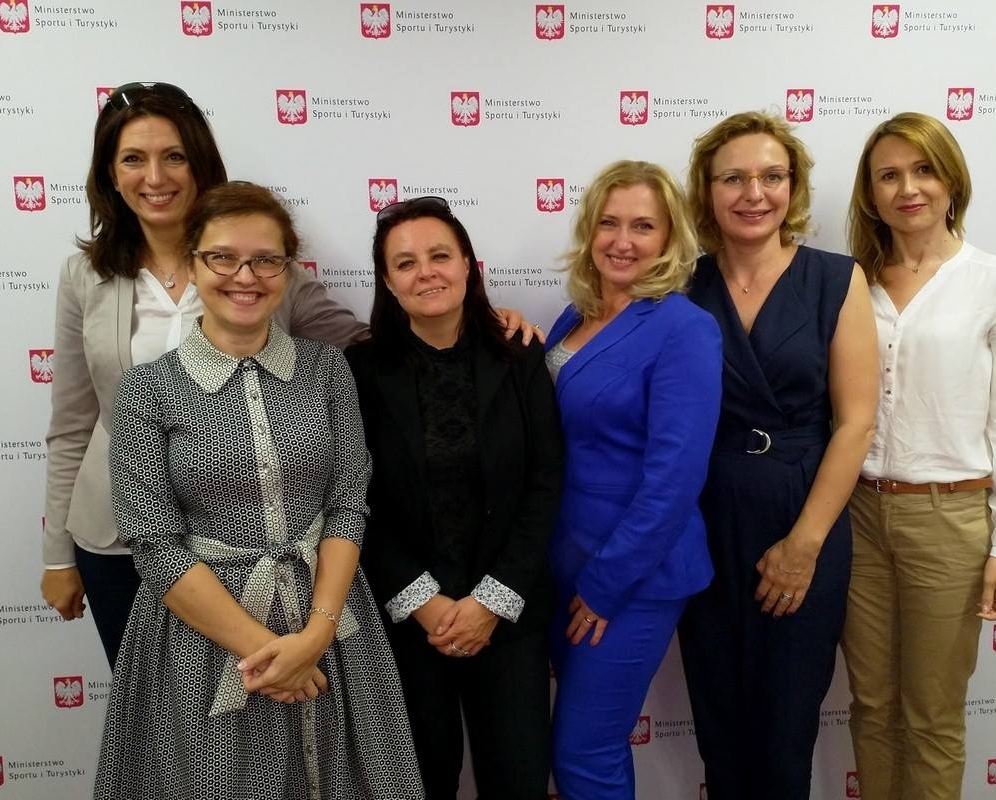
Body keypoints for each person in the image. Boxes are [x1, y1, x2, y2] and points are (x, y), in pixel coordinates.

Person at [41, 81, 535, 669]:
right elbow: (72, 422)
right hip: (121, 541)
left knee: (272, 697)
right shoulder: (83, 277)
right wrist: (57, 555)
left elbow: (373, 348)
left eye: (173, 155)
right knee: (165, 707)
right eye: (132, 159)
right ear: (110, 173)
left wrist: (470, 323)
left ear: (199, 162)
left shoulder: (269, 270)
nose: (155, 177)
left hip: (258, 549)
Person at [94, 182, 423, 799]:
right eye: (222, 257)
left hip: (331, 627)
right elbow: (155, 544)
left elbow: (347, 508)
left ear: (287, 269)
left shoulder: (328, 372)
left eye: (266, 260)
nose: (245, 276)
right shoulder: (146, 389)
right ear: (193, 264)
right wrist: (275, 657)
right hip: (201, 643)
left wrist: (316, 637)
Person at [675, 111, 879, 799]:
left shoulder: (835, 280)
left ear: (793, 186)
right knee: (720, 728)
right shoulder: (681, 285)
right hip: (705, 517)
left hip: (803, 507)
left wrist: (804, 544)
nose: (753, 193)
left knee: (786, 732)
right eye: (733, 178)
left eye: (771, 176)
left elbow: (856, 422)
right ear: (707, 191)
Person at [842, 112, 996, 800]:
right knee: (871, 706)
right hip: (858, 516)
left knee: (932, 717)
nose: (908, 189)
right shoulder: (850, 284)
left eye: (924, 170)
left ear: (952, 180)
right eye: (889, 175)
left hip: (948, 520)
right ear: (870, 193)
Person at [345, 196, 563, 800]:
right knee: (421, 782)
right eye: (406, 263)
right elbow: (355, 499)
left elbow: (546, 481)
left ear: (469, 264)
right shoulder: (358, 370)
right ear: (388, 281)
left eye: (440, 255)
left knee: (518, 781)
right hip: (410, 623)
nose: (426, 273)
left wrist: (492, 601)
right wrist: (424, 602)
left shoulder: (519, 354)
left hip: (509, 617)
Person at [543, 160, 723, 800]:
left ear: (670, 237)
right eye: (609, 223)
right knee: (580, 746)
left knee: (584, 754)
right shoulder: (574, 316)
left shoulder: (685, 328)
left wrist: (605, 585)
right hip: (563, 564)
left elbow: (674, 478)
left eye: (643, 226)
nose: (622, 241)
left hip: (632, 577)